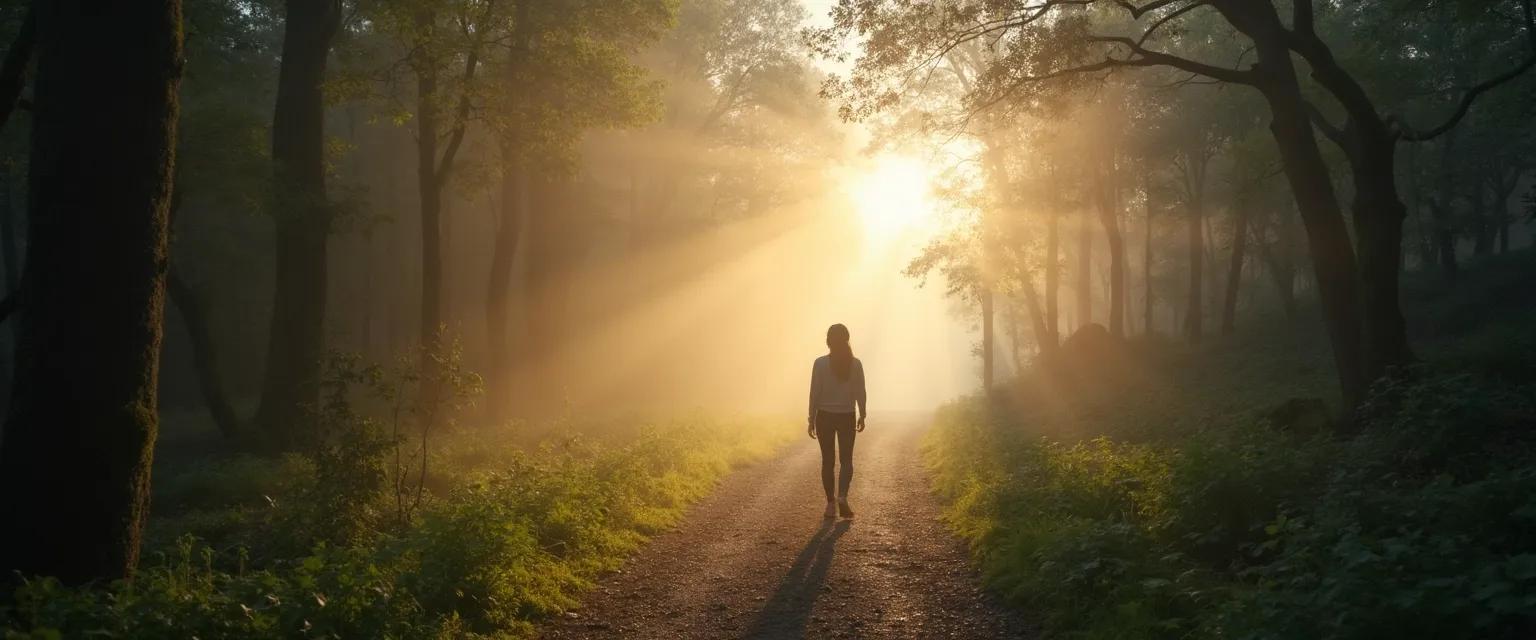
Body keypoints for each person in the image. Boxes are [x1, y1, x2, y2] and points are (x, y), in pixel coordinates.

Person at [807, 323, 866, 518]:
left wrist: (811, 418)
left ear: (828, 341)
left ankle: (830, 504)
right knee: (847, 460)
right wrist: (862, 414)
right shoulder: (855, 364)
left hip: (824, 416)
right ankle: (842, 497)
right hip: (846, 415)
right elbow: (860, 391)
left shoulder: (820, 363)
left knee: (828, 461)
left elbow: (814, 392)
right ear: (847, 339)